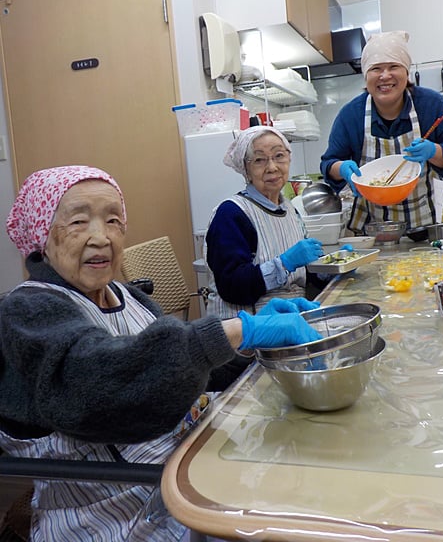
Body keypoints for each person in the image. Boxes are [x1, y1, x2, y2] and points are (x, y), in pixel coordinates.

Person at [0, 165, 322, 542]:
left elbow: (176, 367)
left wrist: (250, 344)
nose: (101, 237)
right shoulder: (28, 310)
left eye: (113, 220)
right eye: (78, 222)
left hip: (183, 472)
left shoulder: (127, 296)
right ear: (42, 234)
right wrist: (235, 329)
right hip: (113, 511)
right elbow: (95, 383)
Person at [320, 31, 443, 234]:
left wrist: (433, 151)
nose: (385, 76)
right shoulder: (351, 115)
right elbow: (328, 164)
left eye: (393, 67)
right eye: (376, 69)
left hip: (432, 223)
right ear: (366, 75)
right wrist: (343, 169)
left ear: (406, 71)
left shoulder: (431, 104)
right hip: (374, 230)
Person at [205, 126, 333, 319]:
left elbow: (306, 273)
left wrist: (332, 268)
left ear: (289, 159)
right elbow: (231, 286)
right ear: (246, 169)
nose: (272, 167)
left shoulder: (290, 210)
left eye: (279, 156)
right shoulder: (231, 214)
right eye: (259, 160)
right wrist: (284, 263)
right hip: (249, 330)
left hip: (290, 317)